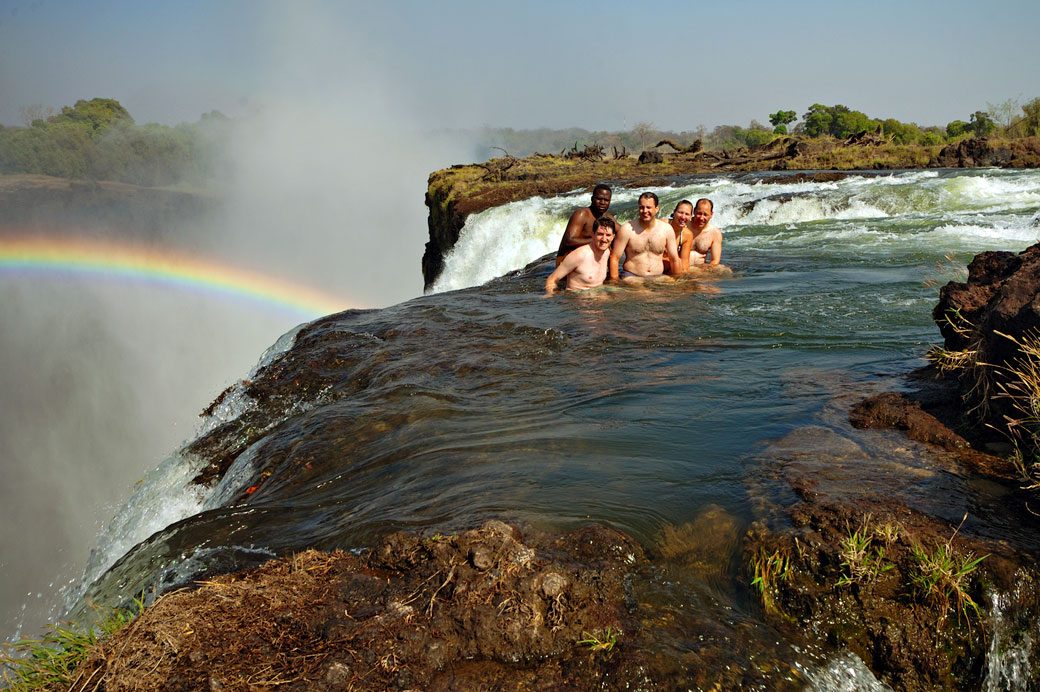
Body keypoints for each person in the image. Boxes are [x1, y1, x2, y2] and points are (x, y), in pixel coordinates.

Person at [609, 192, 681, 281]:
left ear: (657, 209)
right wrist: (614, 281)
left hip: (658, 277)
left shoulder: (667, 229)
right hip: (632, 277)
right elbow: (615, 258)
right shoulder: (627, 229)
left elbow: (674, 259)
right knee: (643, 291)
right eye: (641, 207)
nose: (645, 211)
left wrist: (677, 281)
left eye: (649, 207)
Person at [545, 217, 616, 293]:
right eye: (600, 234)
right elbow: (551, 279)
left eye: (608, 235)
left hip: (598, 295)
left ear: (613, 236)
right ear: (593, 234)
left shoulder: (607, 252)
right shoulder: (579, 256)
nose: (604, 239)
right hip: (577, 299)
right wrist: (550, 295)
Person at [555, 184, 618, 267]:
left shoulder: (607, 217)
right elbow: (569, 241)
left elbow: (622, 232)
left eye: (606, 200)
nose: (602, 202)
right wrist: (597, 240)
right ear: (592, 199)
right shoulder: (582, 214)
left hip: (588, 260)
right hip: (567, 260)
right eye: (599, 199)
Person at [683, 198, 723, 268]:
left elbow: (715, 261)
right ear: (694, 211)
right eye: (699, 213)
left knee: (724, 270)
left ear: (711, 214)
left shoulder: (715, 233)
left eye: (705, 214)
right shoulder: (683, 226)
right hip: (682, 267)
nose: (701, 218)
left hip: (701, 269)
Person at [663, 200, 694, 274]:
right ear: (674, 212)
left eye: (687, 214)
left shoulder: (687, 234)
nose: (683, 217)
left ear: (690, 217)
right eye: (680, 212)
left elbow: (685, 261)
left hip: (669, 270)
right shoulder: (661, 225)